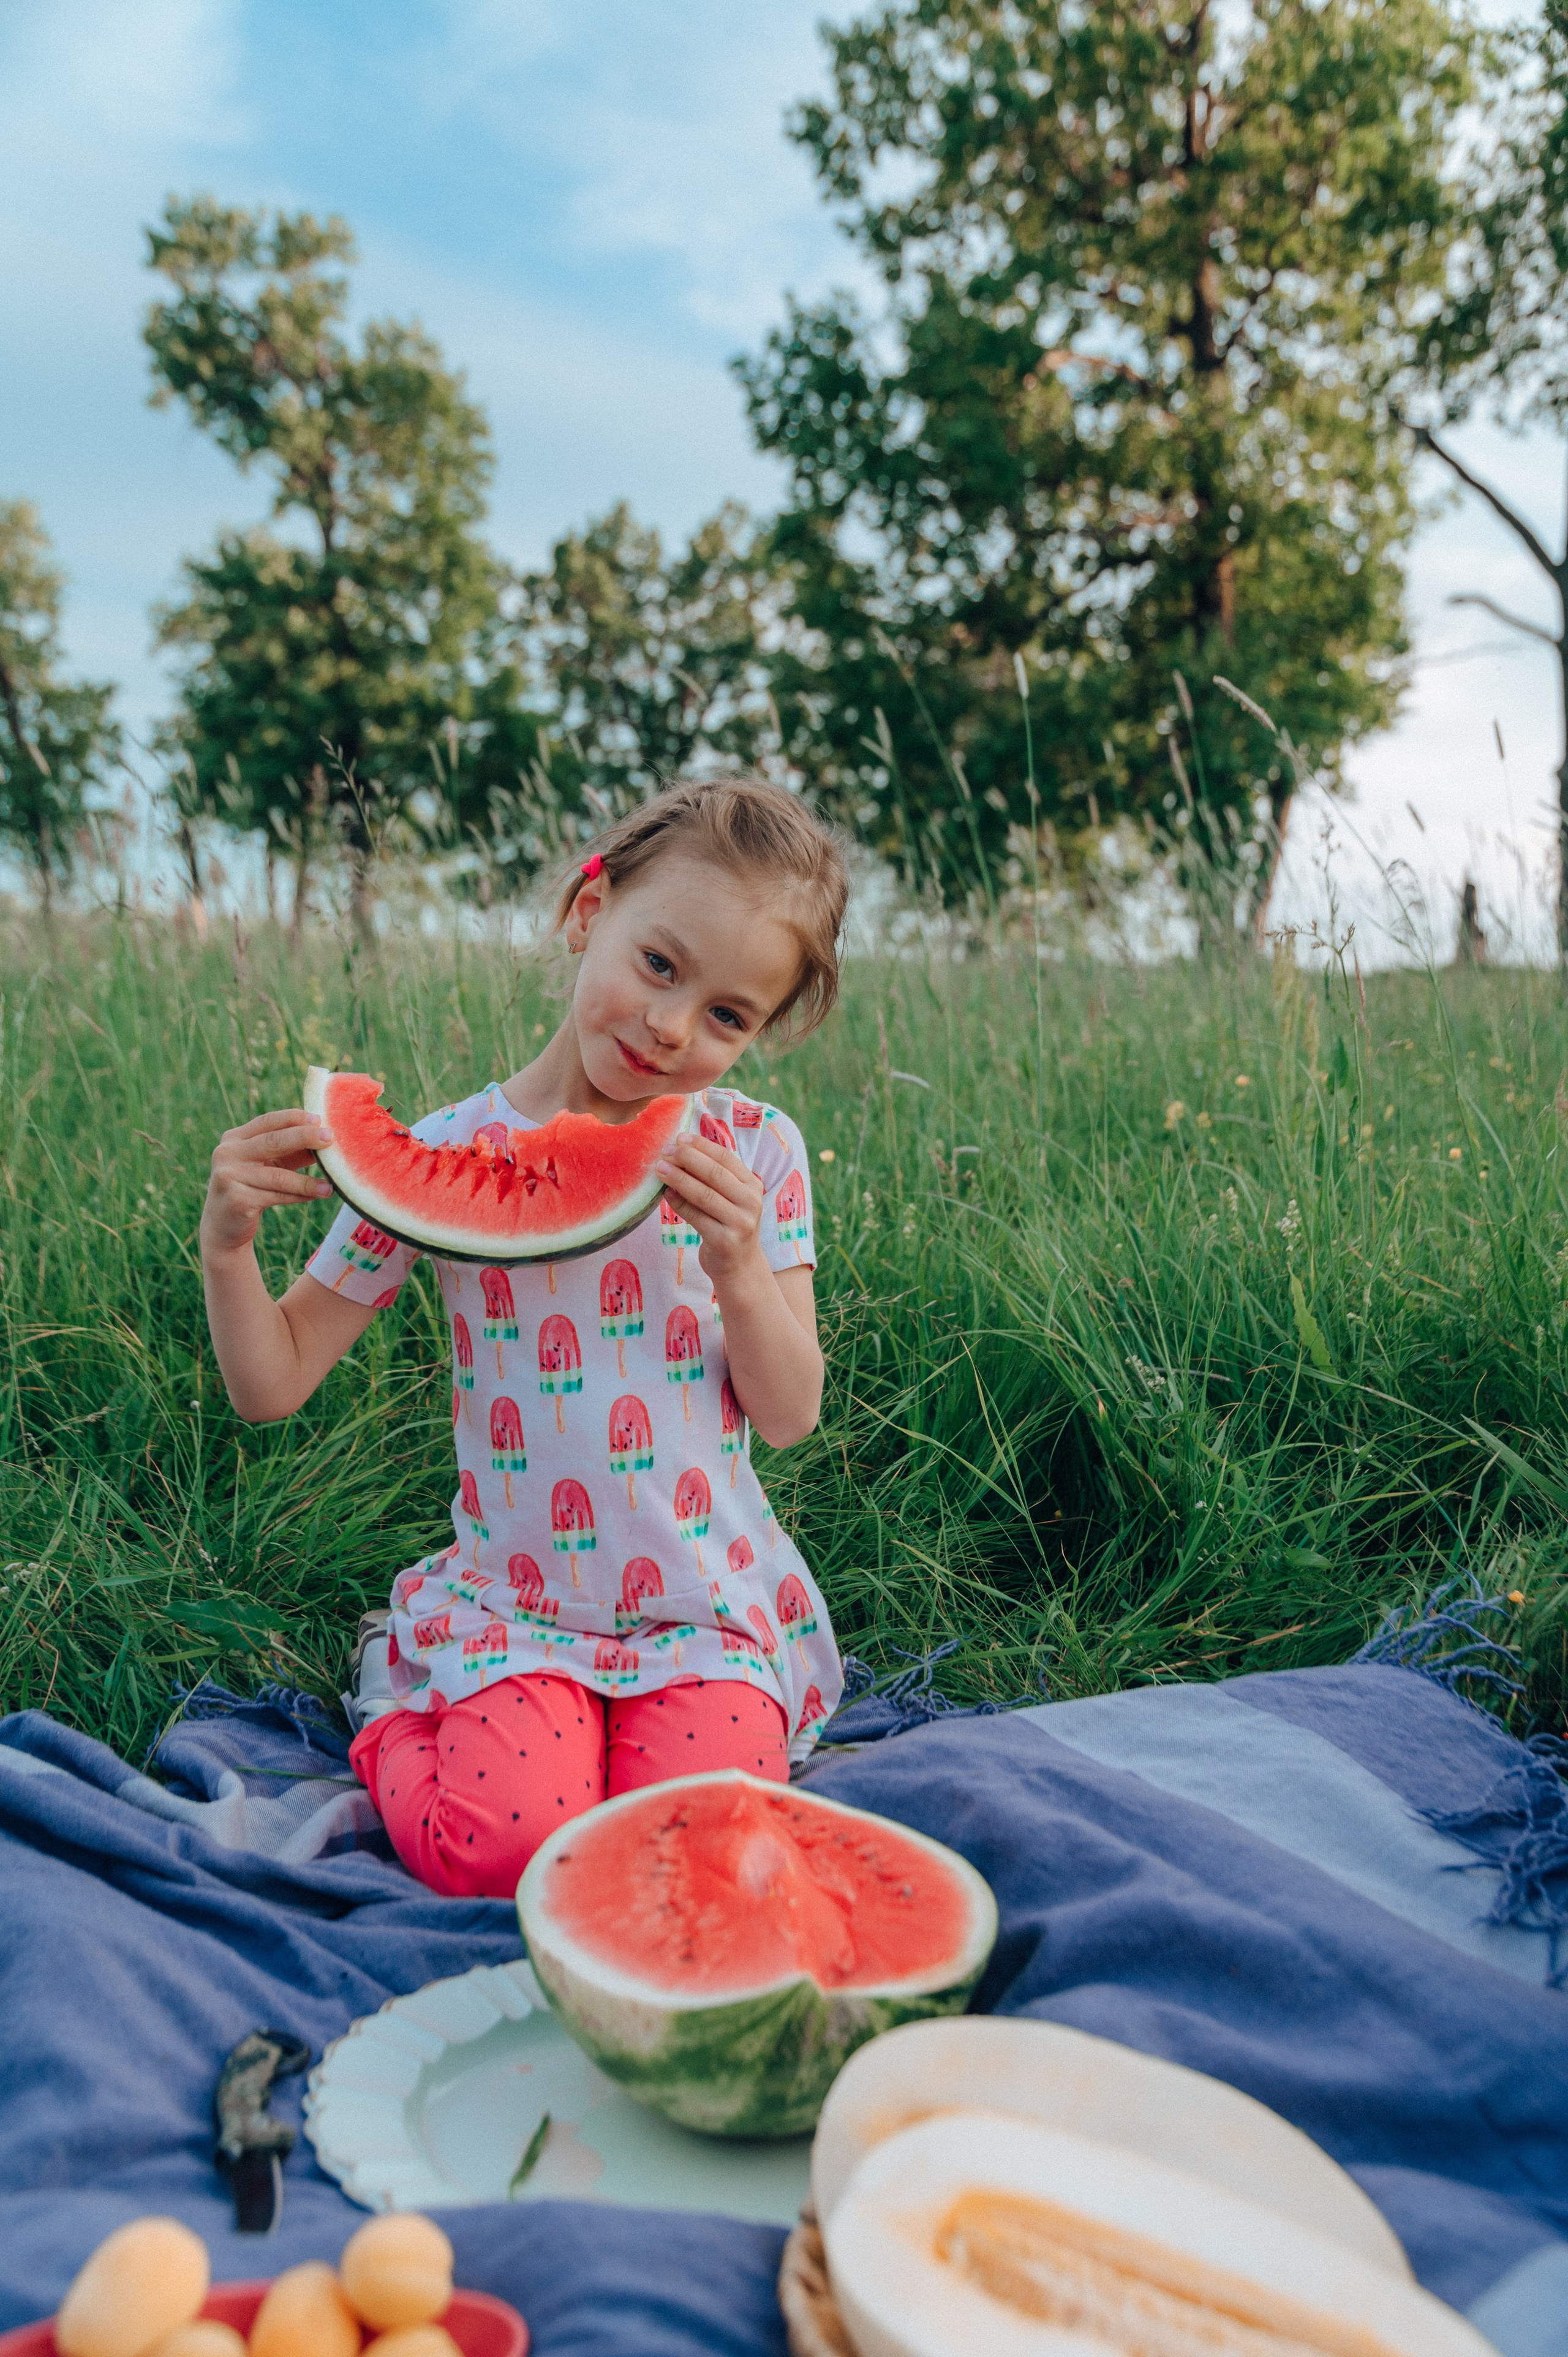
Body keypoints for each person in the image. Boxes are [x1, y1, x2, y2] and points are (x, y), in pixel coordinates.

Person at [199, 775, 848, 1897]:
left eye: (728, 1017)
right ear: (587, 913)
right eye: (659, 964)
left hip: (703, 1604)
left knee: (703, 1860)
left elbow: (790, 1417)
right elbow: (275, 1382)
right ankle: (396, 1693)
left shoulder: (759, 1154)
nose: (671, 1026)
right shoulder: (442, 1154)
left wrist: (739, 1263)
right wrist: (227, 1249)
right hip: (519, 1603)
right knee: (498, 1853)